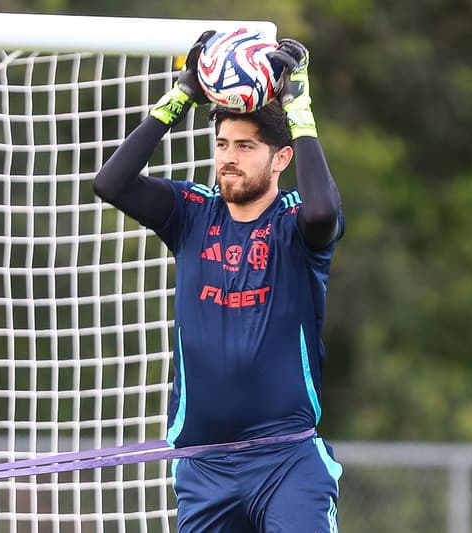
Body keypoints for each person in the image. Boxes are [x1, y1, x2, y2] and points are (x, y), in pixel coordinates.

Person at [93, 31, 344, 533]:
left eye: (246, 146)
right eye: (223, 143)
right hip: (203, 465)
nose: (229, 156)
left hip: (286, 461)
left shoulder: (294, 224)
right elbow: (110, 183)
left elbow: (323, 210)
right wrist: (183, 93)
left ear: (281, 158)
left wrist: (298, 106)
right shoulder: (191, 213)